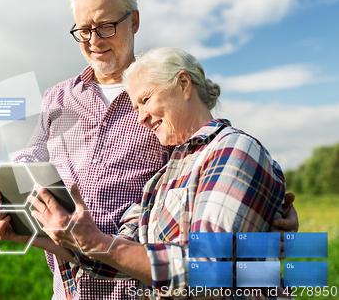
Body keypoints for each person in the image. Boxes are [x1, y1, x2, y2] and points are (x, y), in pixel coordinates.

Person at [0, 0, 298, 299]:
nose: (94, 40)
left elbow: (216, 170)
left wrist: (261, 214)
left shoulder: (183, 121)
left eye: (105, 26)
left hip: (140, 285)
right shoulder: (57, 97)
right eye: (84, 30)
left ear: (133, 22)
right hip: (73, 283)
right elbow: (30, 159)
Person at [21, 47, 291, 299]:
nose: (141, 117)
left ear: (183, 84)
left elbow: (208, 270)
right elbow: (117, 258)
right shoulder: (162, 178)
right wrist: (39, 235)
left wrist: (93, 241)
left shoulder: (234, 150)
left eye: (146, 100)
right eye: (136, 108)